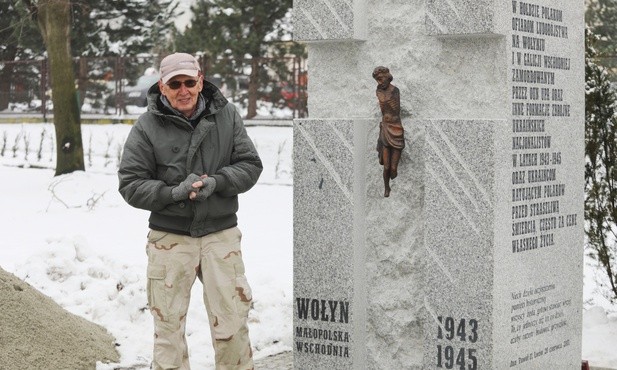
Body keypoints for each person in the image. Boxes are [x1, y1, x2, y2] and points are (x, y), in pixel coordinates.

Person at [118, 52, 262, 370]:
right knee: (167, 331)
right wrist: (173, 193)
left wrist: (220, 182)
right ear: (162, 86)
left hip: (220, 235)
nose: (183, 90)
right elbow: (130, 183)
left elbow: (251, 165)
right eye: (174, 83)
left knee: (233, 325)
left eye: (189, 82)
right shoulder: (146, 126)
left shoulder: (227, 116)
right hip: (170, 237)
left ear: (200, 79)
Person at [372, 66, 405, 197]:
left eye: (380, 79)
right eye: (377, 80)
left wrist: (385, 98)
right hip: (385, 128)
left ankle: (394, 179)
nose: (379, 83)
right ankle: (387, 188)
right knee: (386, 167)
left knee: (393, 170)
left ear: (387, 77)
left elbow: (395, 109)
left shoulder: (395, 91)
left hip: (396, 128)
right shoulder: (378, 91)